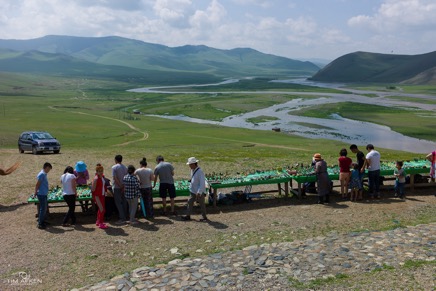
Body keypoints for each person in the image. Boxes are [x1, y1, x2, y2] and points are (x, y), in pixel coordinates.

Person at [182, 157, 208, 221]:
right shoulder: (192, 170)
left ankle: (204, 217)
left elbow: (202, 183)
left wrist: (199, 192)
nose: (189, 166)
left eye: (190, 164)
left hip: (199, 192)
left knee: (202, 204)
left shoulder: (200, 172)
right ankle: (188, 215)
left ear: (194, 164)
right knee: (189, 202)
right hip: (193, 190)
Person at [34, 162, 52, 229]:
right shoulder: (41, 174)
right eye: (49, 169)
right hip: (41, 194)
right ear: (46, 167)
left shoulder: (44, 174)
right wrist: (36, 192)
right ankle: (40, 223)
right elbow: (37, 184)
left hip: (44, 193)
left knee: (44, 209)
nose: (49, 171)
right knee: (43, 209)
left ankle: (43, 220)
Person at [112, 155, 128, 224]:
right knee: (124, 202)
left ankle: (122, 218)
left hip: (117, 187)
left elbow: (115, 178)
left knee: (118, 203)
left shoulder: (114, 167)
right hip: (124, 187)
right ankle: (125, 215)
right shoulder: (125, 167)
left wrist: (120, 185)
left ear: (115, 160)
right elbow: (126, 177)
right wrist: (123, 186)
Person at [92, 165, 108, 229]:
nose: (101, 172)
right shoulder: (96, 179)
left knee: (101, 209)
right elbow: (93, 189)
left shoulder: (102, 177)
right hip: (97, 196)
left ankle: (98, 221)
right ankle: (101, 223)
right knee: (102, 210)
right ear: (96, 172)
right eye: (99, 171)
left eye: (101, 171)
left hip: (102, 195)